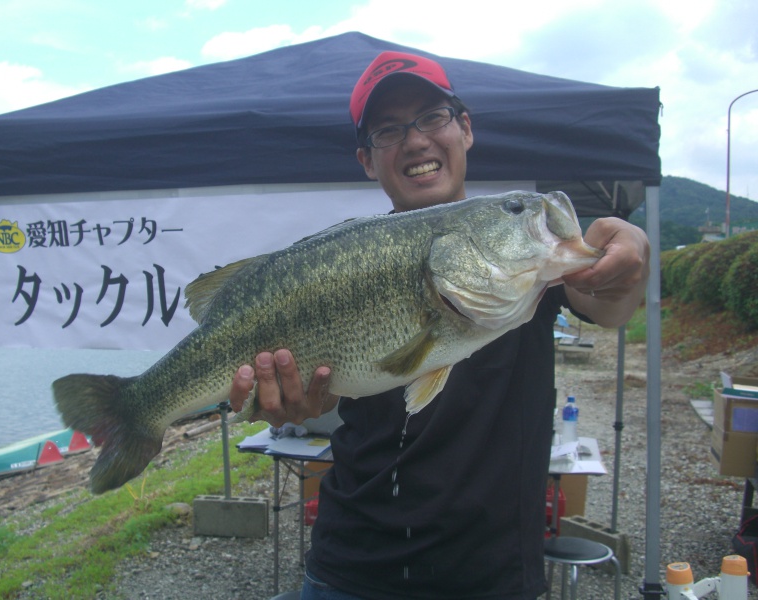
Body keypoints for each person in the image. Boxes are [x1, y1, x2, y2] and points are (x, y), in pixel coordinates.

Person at [228, 51, 650, 599]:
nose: (417, 140)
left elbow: (612, 306)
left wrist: (632, 255)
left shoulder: (527, 266)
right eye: (389, 130)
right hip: (351, 567)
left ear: (465, 129)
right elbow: (321, 397)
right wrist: (285, 402)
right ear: (366, 159)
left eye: (433, 117)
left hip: (494, 573)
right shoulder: (346, 260)